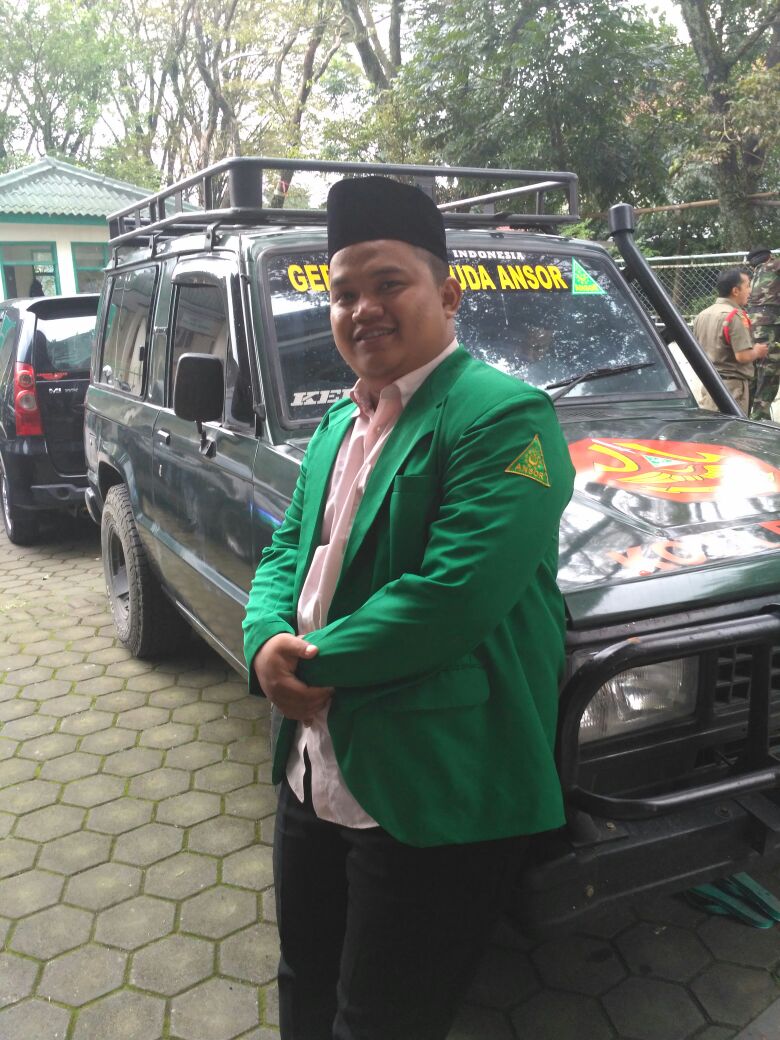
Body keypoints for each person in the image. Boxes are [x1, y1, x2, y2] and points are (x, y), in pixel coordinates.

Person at [243, 175, 574, 1040]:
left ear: (448, 293)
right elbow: (287, 551)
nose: (363, 309)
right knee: (304, 979)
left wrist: (303, 663)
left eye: (388, 283)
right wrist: (264, 640)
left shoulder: (504, 418)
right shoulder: (336, 426)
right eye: (343, 292)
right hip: (314, 765)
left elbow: (451, 596)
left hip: (434, 782)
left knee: (385, 1021)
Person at [692, 267, 768, 414]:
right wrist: (757, 351)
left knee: (711, 424)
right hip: (732, 389)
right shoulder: (735, 316)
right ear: (735, 291)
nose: (750, 291)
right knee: (733, 427)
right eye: (747, 286)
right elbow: (742, 356)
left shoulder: (702, 315)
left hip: (709, 384)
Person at [746, 247, 780, 421]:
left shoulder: (753, 276)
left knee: (754, 372)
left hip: (752, 324)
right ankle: (759, 418)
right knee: (769, 372)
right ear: (769, 257)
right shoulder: (773, 266)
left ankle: (745, 414)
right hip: (769, 325)